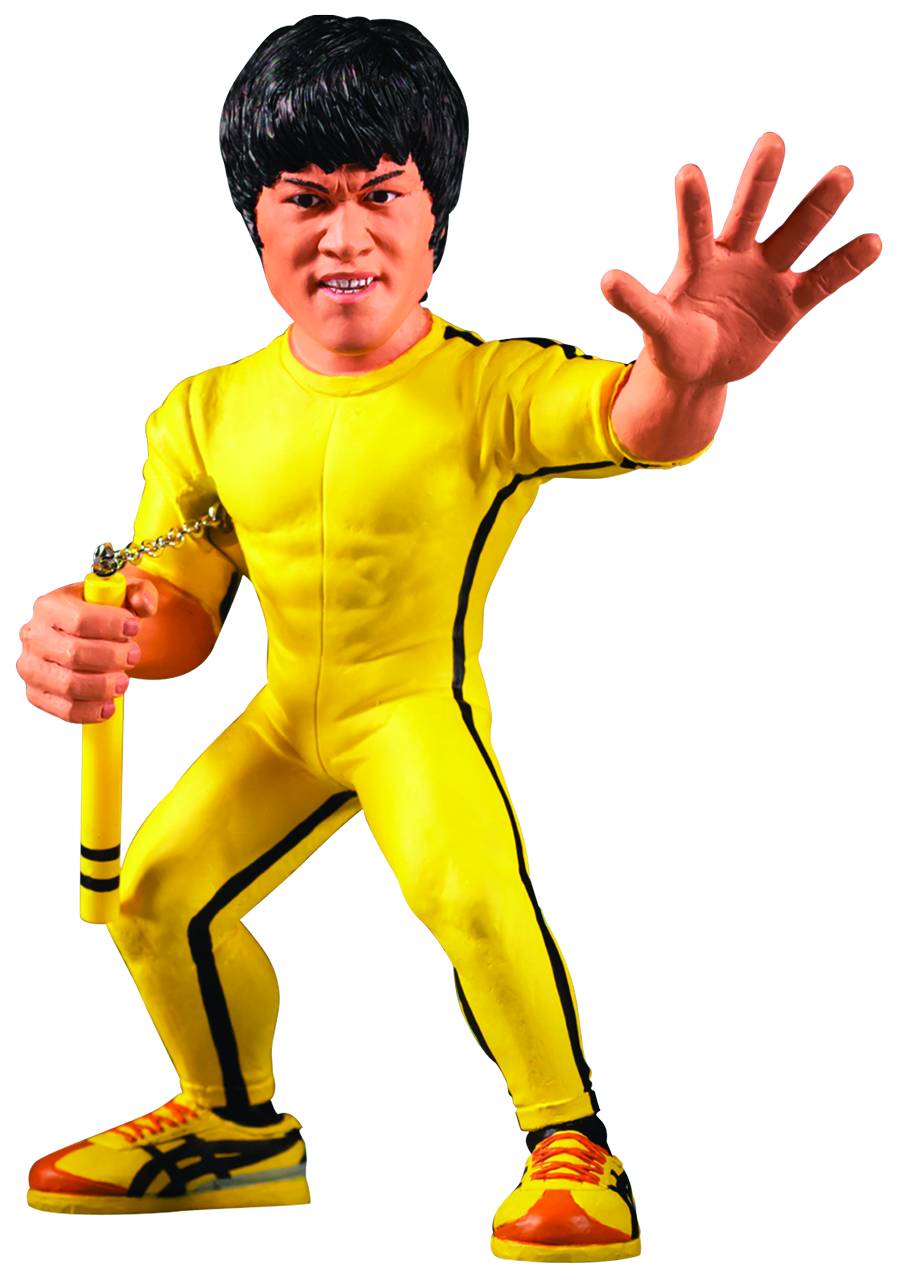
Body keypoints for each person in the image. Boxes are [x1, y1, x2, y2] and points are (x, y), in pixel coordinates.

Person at [15, 14, 880, 1263]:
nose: (346, 236)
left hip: (412, 712)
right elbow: (179, 602)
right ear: (255, 221)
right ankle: (234, 1125)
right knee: (153, 897)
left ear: (437, 222)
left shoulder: (486, 386)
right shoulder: (203, 412)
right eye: (306, 198)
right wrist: (100, 634)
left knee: (473, 894)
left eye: (382, 194)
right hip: (287, 720)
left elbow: (633, 419)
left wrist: (694, 376)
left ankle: (570, 1142)